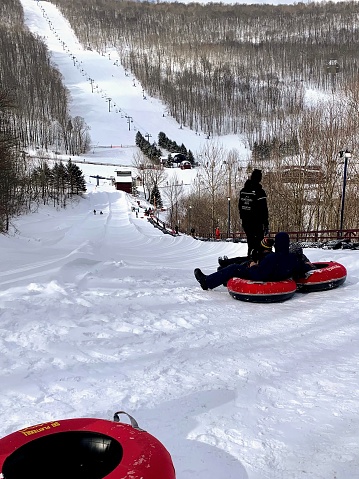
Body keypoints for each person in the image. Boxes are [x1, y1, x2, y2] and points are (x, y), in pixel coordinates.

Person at [194, 232, 314, 290]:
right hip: (278, 277)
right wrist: (308, 265)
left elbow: (258, 274)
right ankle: (222, 276)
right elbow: (302, 268)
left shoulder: (272, 258)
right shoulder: (293, 258)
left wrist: (253, 266)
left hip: (265, 277)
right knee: (239, 264)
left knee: (235, 267)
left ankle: (206, 282)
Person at [239, 169, 269, 256]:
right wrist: (266, 223)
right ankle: (256, 261)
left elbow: (240, 206)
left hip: (246, 222)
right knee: (258, 244)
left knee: (250, 242)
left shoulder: (243, 191)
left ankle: (250, 257)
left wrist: (243, 217)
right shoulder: (260, 192)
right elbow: (264, 209)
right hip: (256, 223)